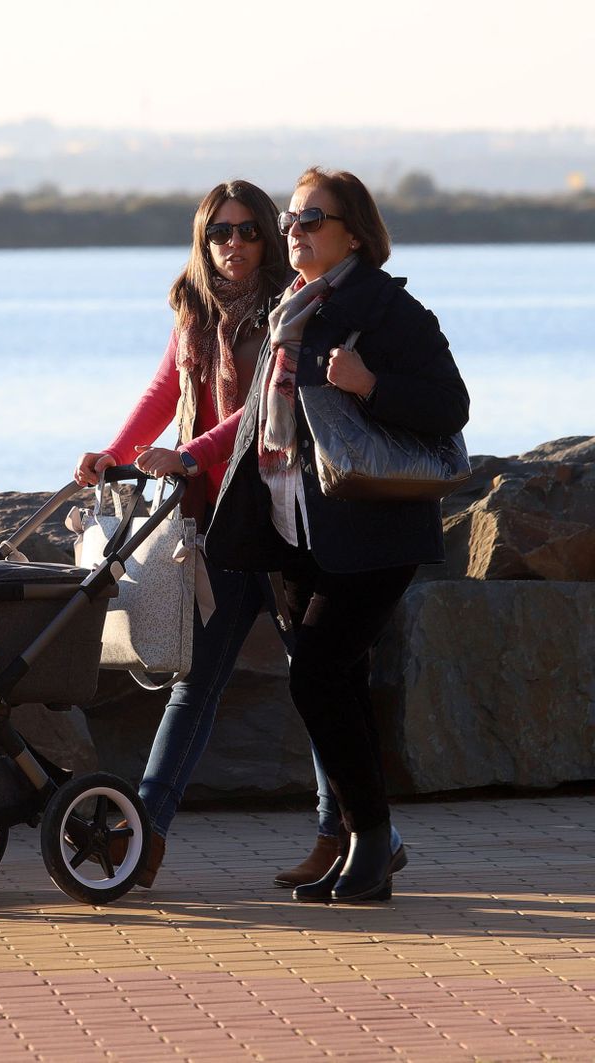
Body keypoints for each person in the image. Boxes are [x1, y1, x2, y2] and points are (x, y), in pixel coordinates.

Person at [205, 168, 468, 903]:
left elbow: (450, 405)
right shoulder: (290, 309)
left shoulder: (387, 308)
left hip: (373, 526)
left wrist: (369, 384)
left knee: (315, 671)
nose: (294, 231)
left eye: (312, 219)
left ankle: (374, 839)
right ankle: (369, 840)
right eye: (290, 218)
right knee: (337, 680)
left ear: (355, 230)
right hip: (296, 529)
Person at [75, 179, 345, 888]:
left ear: (268, 236)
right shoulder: (193, 311)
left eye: (248, 230)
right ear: (203, 242)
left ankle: (342, 833)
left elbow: (260, 410)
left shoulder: (294, 310)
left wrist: (192, 453)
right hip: (217, 524)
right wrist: (114, 451)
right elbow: (165, 392)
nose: (233, 245)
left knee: (317, 680)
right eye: (219, 233)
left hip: (285, 517)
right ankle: (145, 837)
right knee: (194, 683)